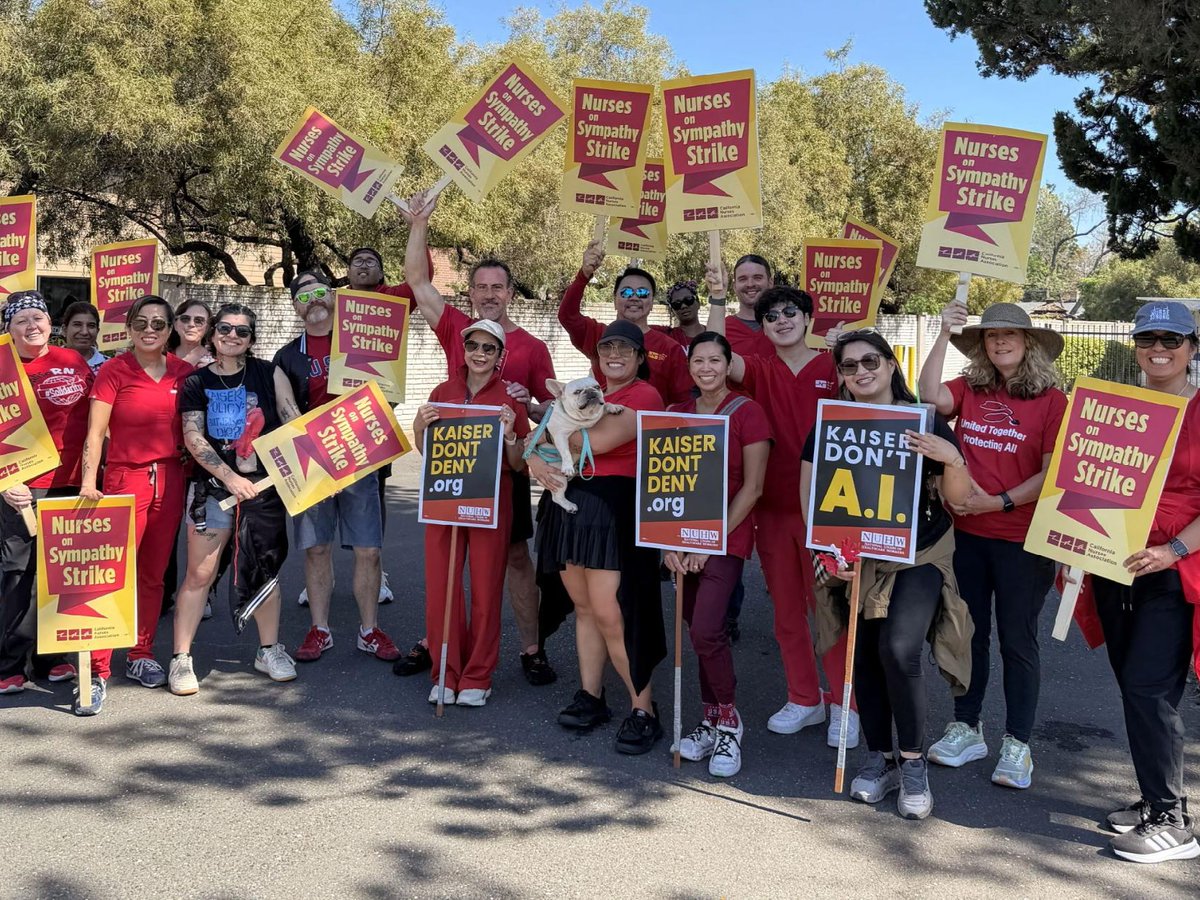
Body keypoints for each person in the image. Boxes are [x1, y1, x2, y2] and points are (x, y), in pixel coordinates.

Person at [802, 329, 974, 820]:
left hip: (919, 553)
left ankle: (914, 762)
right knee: (864, 656)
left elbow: (960, 498)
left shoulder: (924, 419)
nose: (861, 372)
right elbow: (809, 495)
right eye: (849, 365)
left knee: (899, 649)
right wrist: (828, 551)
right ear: (840, 375)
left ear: (891, 364)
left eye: (870, 361)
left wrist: (951, 457)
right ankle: (881, 757)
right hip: (858, 556)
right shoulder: (831, 424)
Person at [391, 189, 558, 686]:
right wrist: (419, 224)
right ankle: (437, 643)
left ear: (510, 293)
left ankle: (531, 648)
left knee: (513, 559)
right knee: (447, 561)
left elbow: (550, 410)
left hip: (504, 467)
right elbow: (418, 281)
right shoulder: (457, 329)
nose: (489, 294)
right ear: (470, 293)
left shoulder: (532, 346)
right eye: (481, 286)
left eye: (497, 287)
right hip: (453, 467)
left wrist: (528, 405)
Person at [919, 302, 1067, 789]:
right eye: (990, 335)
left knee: (1018, 641)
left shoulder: (1052, 401)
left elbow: (1052, 473)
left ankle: (1018, 743)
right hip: (967, 537)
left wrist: (999, 502)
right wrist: (943, 332)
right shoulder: (972, 389)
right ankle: (967, 726)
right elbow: (929, 395)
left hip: (1022, 539)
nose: (1000, 342)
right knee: (969, 634)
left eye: (1010, 334)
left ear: (1029, 343)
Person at [707, 277, 856, 745]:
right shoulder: (756, 368)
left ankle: (845, 704)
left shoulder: (836, 364)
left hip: (830, 510)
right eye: (771, 316)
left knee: (830, 609)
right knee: (787, 611)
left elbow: (881, 393)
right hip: (772, 509)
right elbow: (714, 349)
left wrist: (848, 346)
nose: (781, 321)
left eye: (791, 312)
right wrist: (717, 298)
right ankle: (804, 697)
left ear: (808, 319)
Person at [1080, 301, 1200, 863]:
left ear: (1191, 348)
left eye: (1172, 339)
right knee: (1134, 685)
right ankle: (1159, 798)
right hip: (1115, 562)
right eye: (1148, 338)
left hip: (1174, 569)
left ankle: (1172, 824)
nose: (1159, 349)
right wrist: (1072, 546)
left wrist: (1172, 550)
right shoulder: (1118, 408)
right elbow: (1087, 479)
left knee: (1151, 688)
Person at [527, 320, 667, 754]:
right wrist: (535, 457)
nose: (615, 355)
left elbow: (597, 443)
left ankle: (644, 709)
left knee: (612, 613)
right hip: (569, 505)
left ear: (640, 357)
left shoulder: (644, 396)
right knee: (584, 608)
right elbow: (536, 443)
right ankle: (592, 695)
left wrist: (548, 437)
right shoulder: (592, 393)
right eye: (607, 348)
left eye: (625, 348)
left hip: (612, 508)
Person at [169, 304, 301, 695]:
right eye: (225, 328)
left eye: (242, 331)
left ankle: (269, 649)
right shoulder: (196, 381)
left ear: (251, 339)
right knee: (200, 574)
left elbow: (292, 418)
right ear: (212, 333)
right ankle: (181, 658)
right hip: (213, 490)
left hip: (263, 489)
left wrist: (322, 463)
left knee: (265, 569)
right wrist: (230, 477)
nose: (232, 336)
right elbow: (193, 436)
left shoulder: (268, 372)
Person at [273, 270, 399, 664]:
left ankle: (369, 630)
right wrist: (321, 453)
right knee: (316, 549)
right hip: (313, 462)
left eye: (320, 292)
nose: (313, 301)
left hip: (360, 459)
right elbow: (287, 411)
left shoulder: (362, 341)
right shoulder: (287, 357)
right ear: (296, 308)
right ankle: (320, 630)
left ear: (335, 296)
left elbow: (389, 394)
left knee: (369, 550)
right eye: (303, 296)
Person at [665, 332, 771, 777]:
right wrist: (668, 540)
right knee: (696, 631)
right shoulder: (676, 414)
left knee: (709, 630)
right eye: (698, 361)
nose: (706, 368)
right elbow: (662, 483)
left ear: (728, 366)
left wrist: (706, 541)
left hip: (725, 538)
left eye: (715, 360)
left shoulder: (748, 412)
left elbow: (754, 487)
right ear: (689, 367)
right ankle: (709, 720)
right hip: (681, 539)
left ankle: (729, 722)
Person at [79, 295, 193, 705]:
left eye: (159, 323)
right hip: (124, 478)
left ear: (170, 330)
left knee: (153, 575)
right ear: (128, 328)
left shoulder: (184, 373)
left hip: (171, 479)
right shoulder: (114, 370)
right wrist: (88, 482)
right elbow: (95, 434)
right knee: (111, 573)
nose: (149, 330)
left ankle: (141, 653)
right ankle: (97, 668)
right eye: (141, 322)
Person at [413, 320, 530, 707]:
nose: (480, 353)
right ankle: (444, 671)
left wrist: (510, 434)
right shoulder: (442, 391)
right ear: (464, 350)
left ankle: (478, 674)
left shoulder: (510, 397)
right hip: (444, 499)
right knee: (441, 588)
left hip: (491, 500)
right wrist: (419, 427)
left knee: (485, 588)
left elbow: (519, 462)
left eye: (489, 348)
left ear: (500, 356)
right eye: (474, 346)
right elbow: (428, 452)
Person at [0, 292, 93, 701]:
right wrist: (4, 480)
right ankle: (9, 664)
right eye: (21, 320)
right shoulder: (2, 366)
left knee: (61, 574)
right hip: (20, 488)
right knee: (17, 574)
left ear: (50, 323)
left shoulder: (72, 360)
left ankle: (51, 657)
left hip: (70, 483)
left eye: (37, 317)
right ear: (9, 329)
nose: (31, 326)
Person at [558, 239, 692, 405]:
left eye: (642, 293)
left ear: (652, 302)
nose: (634, 297)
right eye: (626, 292)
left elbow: (683, 403)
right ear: (615, 300)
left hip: (651, 421)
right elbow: (567, 316)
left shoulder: (670, 349)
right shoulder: (598, 334)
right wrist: (584, 275)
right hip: (601, 419)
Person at [722, 255, 776, 359]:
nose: (750, 284)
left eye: (757, 278)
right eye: (743, 279)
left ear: (770, 283)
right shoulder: (723, 328)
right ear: (734, 286)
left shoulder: (785, 326)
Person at [651, 280, 705, 348]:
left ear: (698, 303)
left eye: (688, 300)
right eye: (677, 304)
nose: (683, 306)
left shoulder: (713, 331)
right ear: (672, 310)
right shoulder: (666, 335)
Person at [60, 300, 107, 375]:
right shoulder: (47, 364)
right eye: (77, 325)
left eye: (91, 326)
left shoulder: (110, 366)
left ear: (97, 331)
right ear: (64, 330)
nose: (84, 332)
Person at [168, 299, 215, 368]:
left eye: (199, 321)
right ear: (175, 324)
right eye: (185, 319)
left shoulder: (217, 362)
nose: (191, 324)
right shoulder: (161, 357)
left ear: (207, 328)